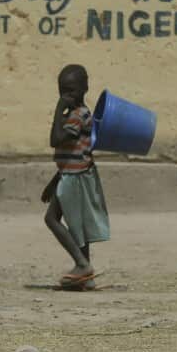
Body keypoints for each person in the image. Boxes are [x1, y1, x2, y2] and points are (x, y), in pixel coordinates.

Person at [42, 64, 109, 290]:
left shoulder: (77, 116)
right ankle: (86, 277)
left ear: (84, 89)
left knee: (51, 219)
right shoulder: (78, 114)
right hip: (72, 174)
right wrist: (54, 182)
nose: (66, 96)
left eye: (71, 91)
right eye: (62, 91)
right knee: (77, 226)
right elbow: (70, 154)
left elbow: (55, 140)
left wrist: (58, 109)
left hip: (75, 177)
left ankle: (82, 264)